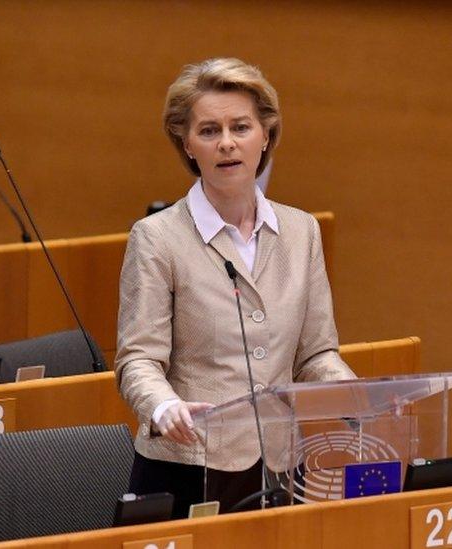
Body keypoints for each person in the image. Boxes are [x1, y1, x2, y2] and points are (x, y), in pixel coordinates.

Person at [115, 58, 355, 518]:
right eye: (208, 131)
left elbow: (315, 355)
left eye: (240, 127)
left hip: (281, 466)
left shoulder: (301, 231)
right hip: (188, 466)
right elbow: (137, 359)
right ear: (186, 144)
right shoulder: (156, 238)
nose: (226, 143)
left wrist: (353, 395)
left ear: (265, 135)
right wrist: (163, 406)